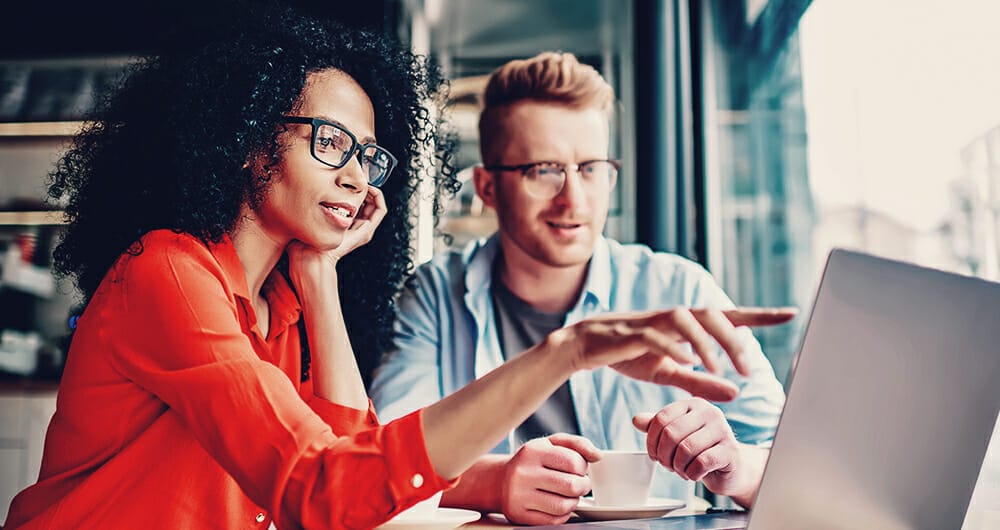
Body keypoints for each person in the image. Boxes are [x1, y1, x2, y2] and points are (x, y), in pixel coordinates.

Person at [2, 7, 794, 530]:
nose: (356, 176)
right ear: (245, 142)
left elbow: (354, 464)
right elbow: (324, 490)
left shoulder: (279, 304)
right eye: (330, 143)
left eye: (367, 155)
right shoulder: (170, 274)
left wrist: (318, 278)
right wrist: (567, 352)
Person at [369, 51, 792, 525]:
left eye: (591, 168)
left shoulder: (678, 288)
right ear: (487, 188)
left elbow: (795, 466)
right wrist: (495, 482)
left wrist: (734, 467)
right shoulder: (436, 293)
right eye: (544, 170)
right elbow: (381, 462)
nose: (574, 198)